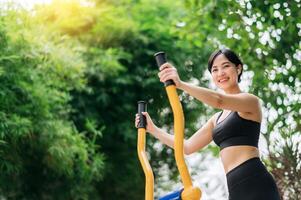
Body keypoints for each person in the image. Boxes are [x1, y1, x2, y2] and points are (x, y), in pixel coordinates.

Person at [135, 49, 281, 200]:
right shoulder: (216, 119)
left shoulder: (250, 102)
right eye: (215, 70)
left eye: (225, 66)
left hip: (255, 180)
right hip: (234, 187)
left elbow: (219, 100)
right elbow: (186, 147)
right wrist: (153, 129)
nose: (220, 73)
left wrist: (181, 84)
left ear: (238, 68)